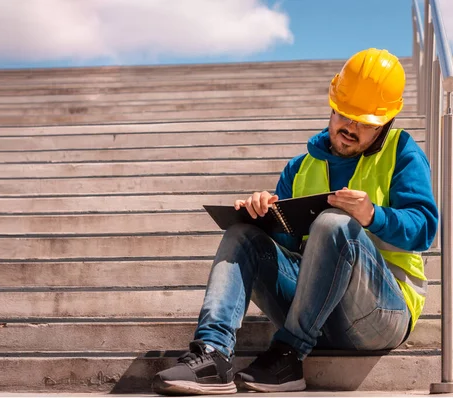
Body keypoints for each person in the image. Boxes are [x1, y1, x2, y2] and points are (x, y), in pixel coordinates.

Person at [151, 48, 438, 395]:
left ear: (386, 122)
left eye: (365, 123)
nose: (350, 128)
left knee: (336, 224)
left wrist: (372, 215)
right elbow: (286, 250)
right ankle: (213, 353)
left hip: (381, 315)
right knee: (242, 233)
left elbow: (425, 230)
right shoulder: (299, 167)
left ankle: (288, 355)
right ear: (332, 107)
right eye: (345, 116)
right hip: (315, 309)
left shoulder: (403, 153)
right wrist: (260, 218)